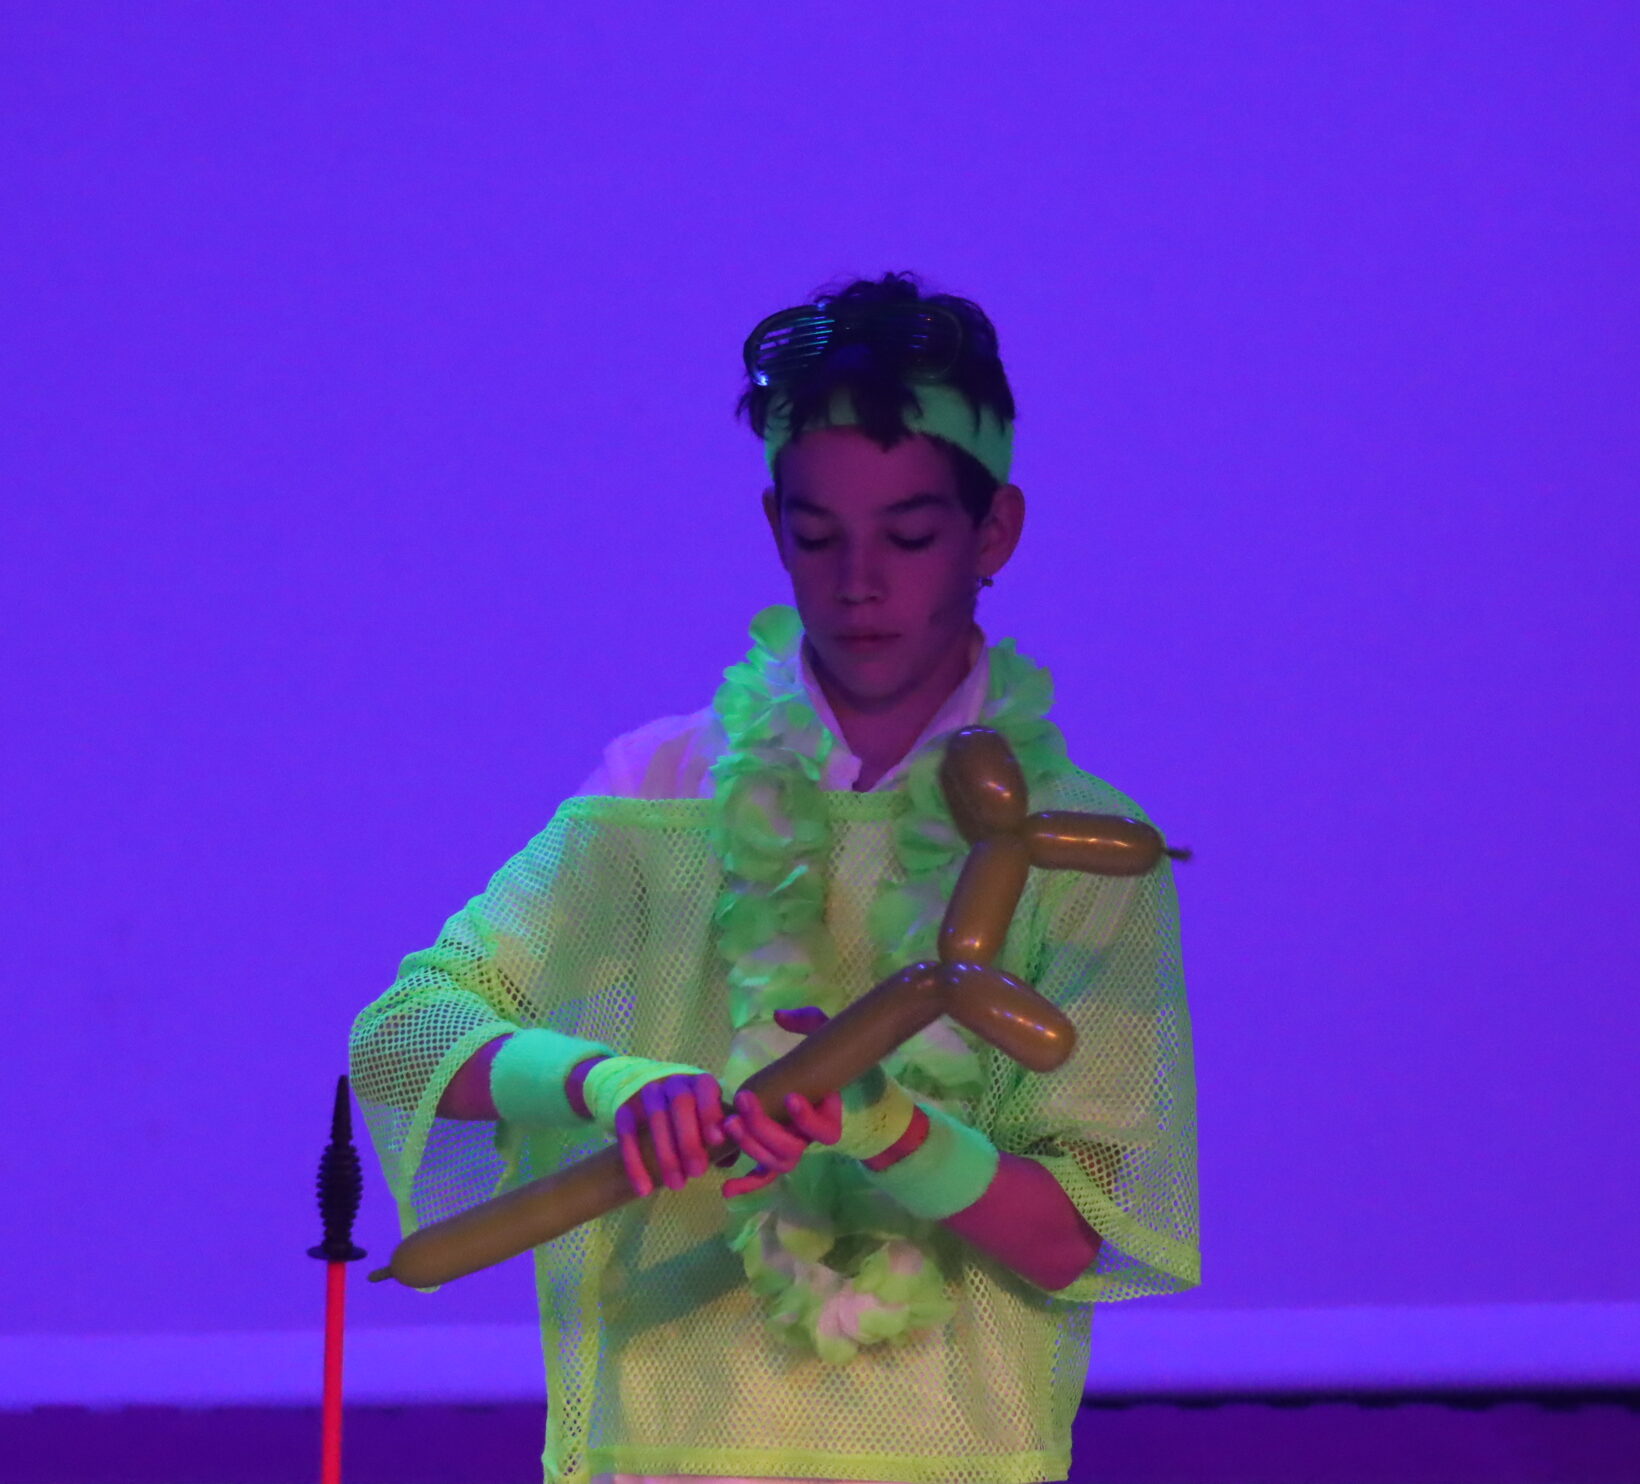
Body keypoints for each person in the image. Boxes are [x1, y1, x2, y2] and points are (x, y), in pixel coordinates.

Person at [349, 271, 1200, 1484]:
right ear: (773, 526)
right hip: (666, 1450)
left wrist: (891, 1125)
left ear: (993, 532)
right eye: (816, 534)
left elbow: (1076, 1235)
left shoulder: (1073, 843)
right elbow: (401, 1037)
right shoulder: (655, 789)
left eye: (908, 535)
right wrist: (607, 1081)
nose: (858, 580)